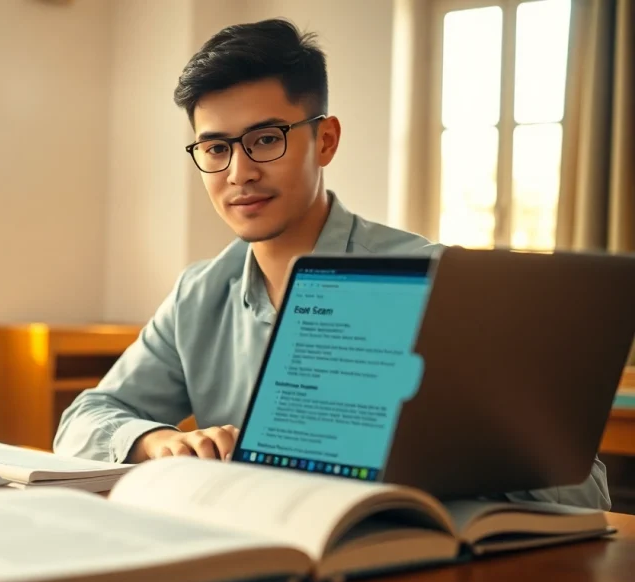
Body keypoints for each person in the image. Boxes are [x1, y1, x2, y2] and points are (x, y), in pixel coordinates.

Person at [52, 18, 609, 510]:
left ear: (325, 140)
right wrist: (158, 441)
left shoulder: (440, 282)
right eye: (216, 148)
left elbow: (585, 489)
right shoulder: (199, 293)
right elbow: (82, 420)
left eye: (265, 139)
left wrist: (452, 444)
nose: (239, 173)